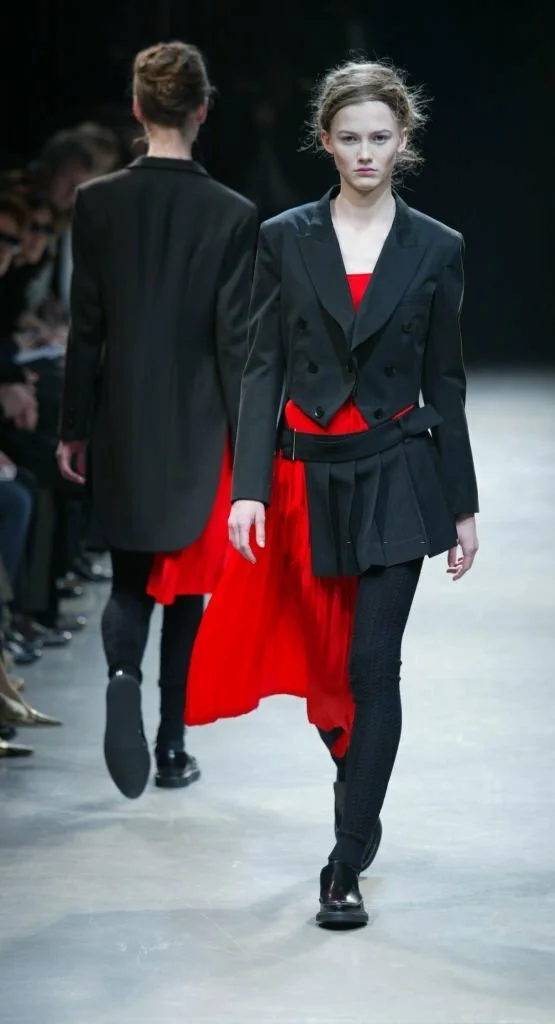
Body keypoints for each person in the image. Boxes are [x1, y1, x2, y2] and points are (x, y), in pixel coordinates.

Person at [187, 60, 479, 928]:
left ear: (403, 140)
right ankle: (360, 788)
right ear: (325, 140)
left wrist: (462, 503)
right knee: (324, 671)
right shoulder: (285, 236)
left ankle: (344, 860)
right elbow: (261, 364)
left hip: (397, 470)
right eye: (349, 138)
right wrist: (245, 489)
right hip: (302, 476)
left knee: (370, 666)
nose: (364, 153)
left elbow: (446, 382)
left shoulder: (437, 246)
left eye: (379, 138)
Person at [56, 41, 258, 800]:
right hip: (200, 425)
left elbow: (85, 329)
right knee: (188, 590)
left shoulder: (96, 202)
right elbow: (235, 344)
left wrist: (73, 427)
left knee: (129, 578)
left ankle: (121, 676)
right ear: (203, 110)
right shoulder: (233, 214)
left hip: (121, 417)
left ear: (138, 109)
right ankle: (172, 745)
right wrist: (252, 445)